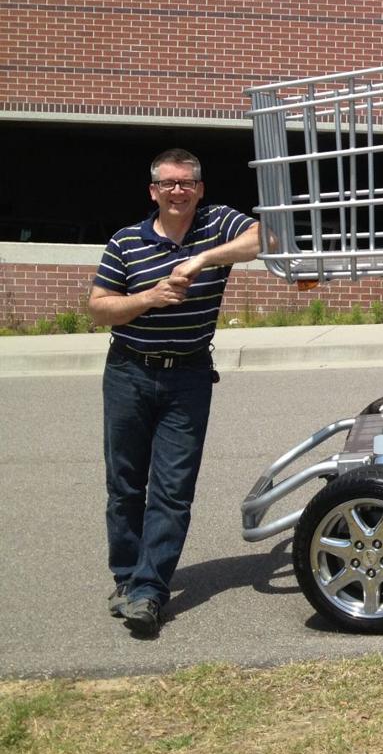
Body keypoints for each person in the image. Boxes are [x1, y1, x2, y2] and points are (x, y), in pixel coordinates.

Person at [88, 149, 260, 636]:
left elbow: (266, 237)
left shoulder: (218, 223)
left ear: (200, 189)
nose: (178, 191)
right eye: (168, 184)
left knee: (173, 490)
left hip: (187, 376)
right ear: (153, 192)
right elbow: (99, 310)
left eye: (187, 183)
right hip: (129, 373)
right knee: (125, 484)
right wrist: (150, 298)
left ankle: (148, 590)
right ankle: (126, 576)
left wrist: (203, 258)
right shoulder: (126, 242)